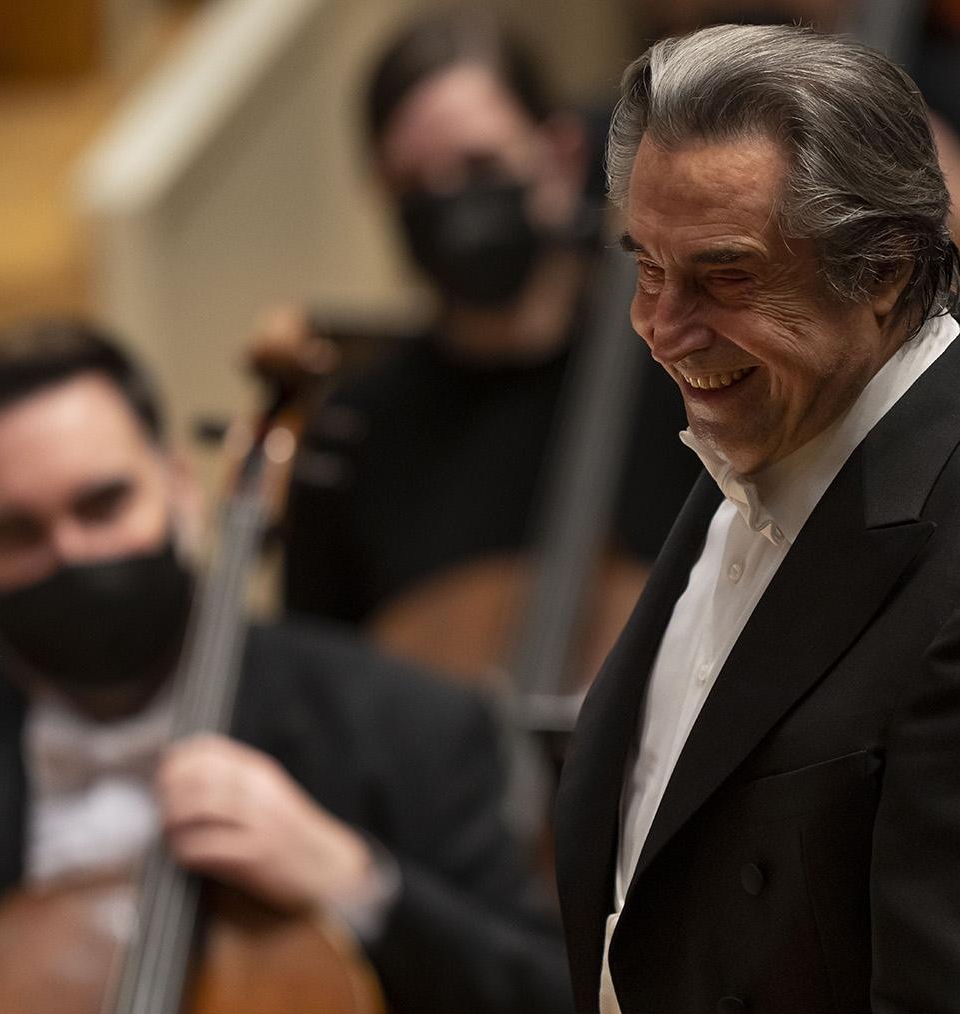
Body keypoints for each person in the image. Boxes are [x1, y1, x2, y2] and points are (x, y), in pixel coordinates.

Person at [553, 25, 960, 1014]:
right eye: (646, 267)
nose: (663, 331)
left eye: (726, 277)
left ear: (883, 267)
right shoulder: (778, 405)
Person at [0, 319, 574, 1014]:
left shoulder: (408, 725)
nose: (71, 554)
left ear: (177, 487)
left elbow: (554, 999)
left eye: (102, 505)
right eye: (18, 532)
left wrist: (353, 877)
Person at [274, 11, 696, 641]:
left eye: (480, 165)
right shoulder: (357, 434)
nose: (453, 205)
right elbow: (322, 688)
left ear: (560, 156)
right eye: (415, 184)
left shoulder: (683, 365)